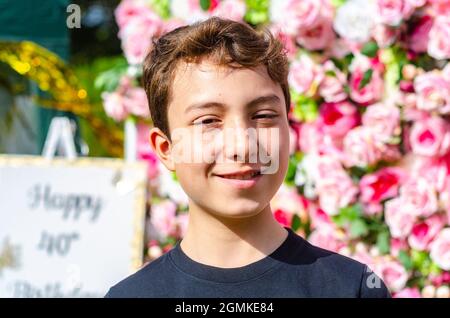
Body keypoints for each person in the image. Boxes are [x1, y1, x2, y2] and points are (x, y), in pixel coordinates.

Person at [105, 17, 390, 298]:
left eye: (264, 116)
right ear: (166, 149)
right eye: (208, 121)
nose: (242, 145)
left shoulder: (351, 289)